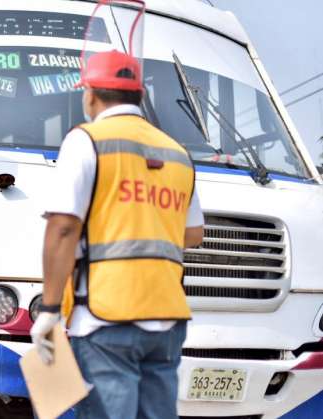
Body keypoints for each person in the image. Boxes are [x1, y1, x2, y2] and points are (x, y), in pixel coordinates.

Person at [30, 50, 205, 419]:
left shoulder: (87, 141)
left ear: (90, 94)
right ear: (139, 96)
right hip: (167, 318)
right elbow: (192, 234)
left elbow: (63, 228)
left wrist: (47, 311)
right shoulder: (178, 154)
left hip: (105, 317)